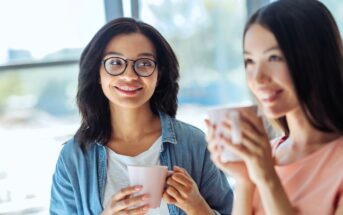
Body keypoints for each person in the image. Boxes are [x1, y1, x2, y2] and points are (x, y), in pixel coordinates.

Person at [50, 17, 233, 215]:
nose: (129, 76)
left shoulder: (194, 145)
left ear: (159, 73)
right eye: (115, 63)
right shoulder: (74, 158)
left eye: (144, 63)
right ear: (97, 73)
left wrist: (198, 207)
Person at [206, 0, 343, 214]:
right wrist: (244, 179)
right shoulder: (263, 155)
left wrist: (267, 178)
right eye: (249, 61)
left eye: (274, 57)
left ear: (315, 58)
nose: (257, 78)